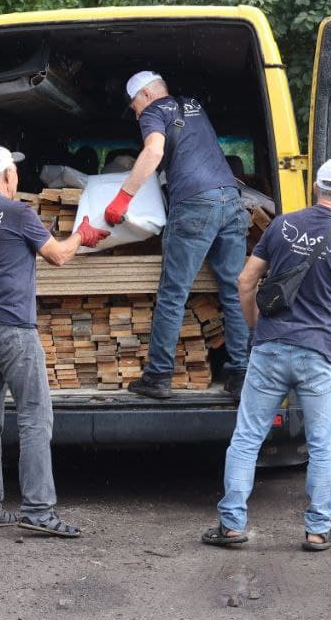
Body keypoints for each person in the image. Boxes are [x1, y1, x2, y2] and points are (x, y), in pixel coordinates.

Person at [203, 158, 331, 551]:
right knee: (322, 447)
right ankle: (318, 530)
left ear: (316, 188)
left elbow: (245, 280)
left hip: (269, 349)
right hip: (320, 355)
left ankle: (231, 525)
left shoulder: (281, 226)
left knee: (247, 439)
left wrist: (255, 328)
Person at [0, 144, 109, 537]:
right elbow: (57, 255)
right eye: (15, 171)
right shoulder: (17, 213)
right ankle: (38, 510)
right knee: (35, 417)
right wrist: (81, 235)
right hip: (11, 329)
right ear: (8, 176)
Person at [103, 71, 250, 400]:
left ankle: (157, 376)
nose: (136, 114)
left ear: (144, 95)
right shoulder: (193, 105)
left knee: (173, 294)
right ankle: (240, 374)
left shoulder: (154, 111)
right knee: (233, 291)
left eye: (134, 106)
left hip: (195, 205)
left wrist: (123, 198)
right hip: (230, 199)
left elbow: (154, 151)